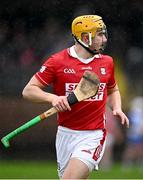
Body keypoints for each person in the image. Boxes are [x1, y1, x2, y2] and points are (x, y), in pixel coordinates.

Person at [22, 15, 129, 179]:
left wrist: (117, 108)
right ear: (85, 37)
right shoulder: (57, 62)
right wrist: (53, 99)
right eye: (99, 34)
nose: (104, 39)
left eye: (104, 34)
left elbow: (113, 89)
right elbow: (28, 91)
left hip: (94, 135)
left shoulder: (107, 62)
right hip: (65, 134)